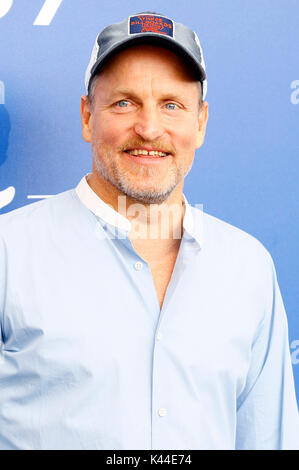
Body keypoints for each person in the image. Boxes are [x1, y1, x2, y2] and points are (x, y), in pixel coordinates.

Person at [0, 11, 298, 450]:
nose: (150, 128)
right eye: (124, 102)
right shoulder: (9, 251)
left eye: (172, 105)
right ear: (87, 117)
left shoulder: (247, 267)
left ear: (200, 123)